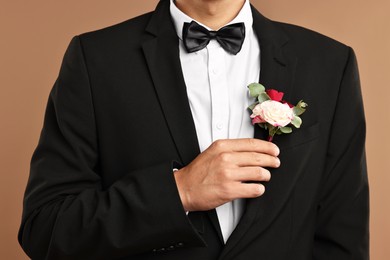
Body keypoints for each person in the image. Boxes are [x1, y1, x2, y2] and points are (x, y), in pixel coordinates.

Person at [18, 0, 369, 259]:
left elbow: (343, 239)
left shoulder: (329, 64)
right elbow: (45, 230)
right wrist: (178, 192)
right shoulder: (96, 59)